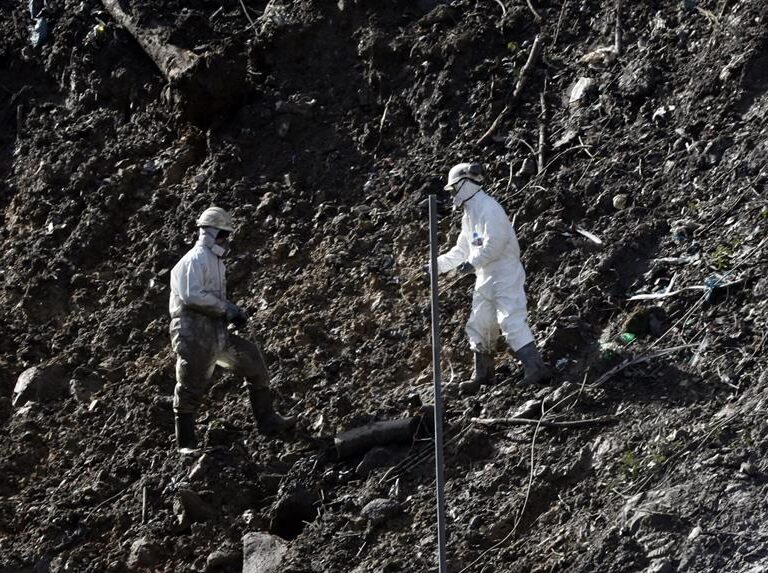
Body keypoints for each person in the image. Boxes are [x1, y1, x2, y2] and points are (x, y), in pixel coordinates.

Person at [169, 206, 296, 452]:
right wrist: (226, 308)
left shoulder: (216, 262)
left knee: (254, 363)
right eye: (222, 234)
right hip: (193, 332)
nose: (226, 240)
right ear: (210, 233)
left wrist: (231, 312)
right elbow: (191, 296)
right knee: (190, 385)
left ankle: (268, 421)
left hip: (215, 332)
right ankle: (185, 444)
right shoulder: (193, 260)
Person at [429, 163, 551, 394]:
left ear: (464, 184)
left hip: (504, 272)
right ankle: (483, 375)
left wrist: (473, 262)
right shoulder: (469, 215)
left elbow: (496, 242)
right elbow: (461, 250)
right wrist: (436, 266)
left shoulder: (489, 208)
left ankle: (536, 369)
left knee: (510, 320)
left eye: (454, 189)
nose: (453, 195)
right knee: (479, 323)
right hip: (485, 276)